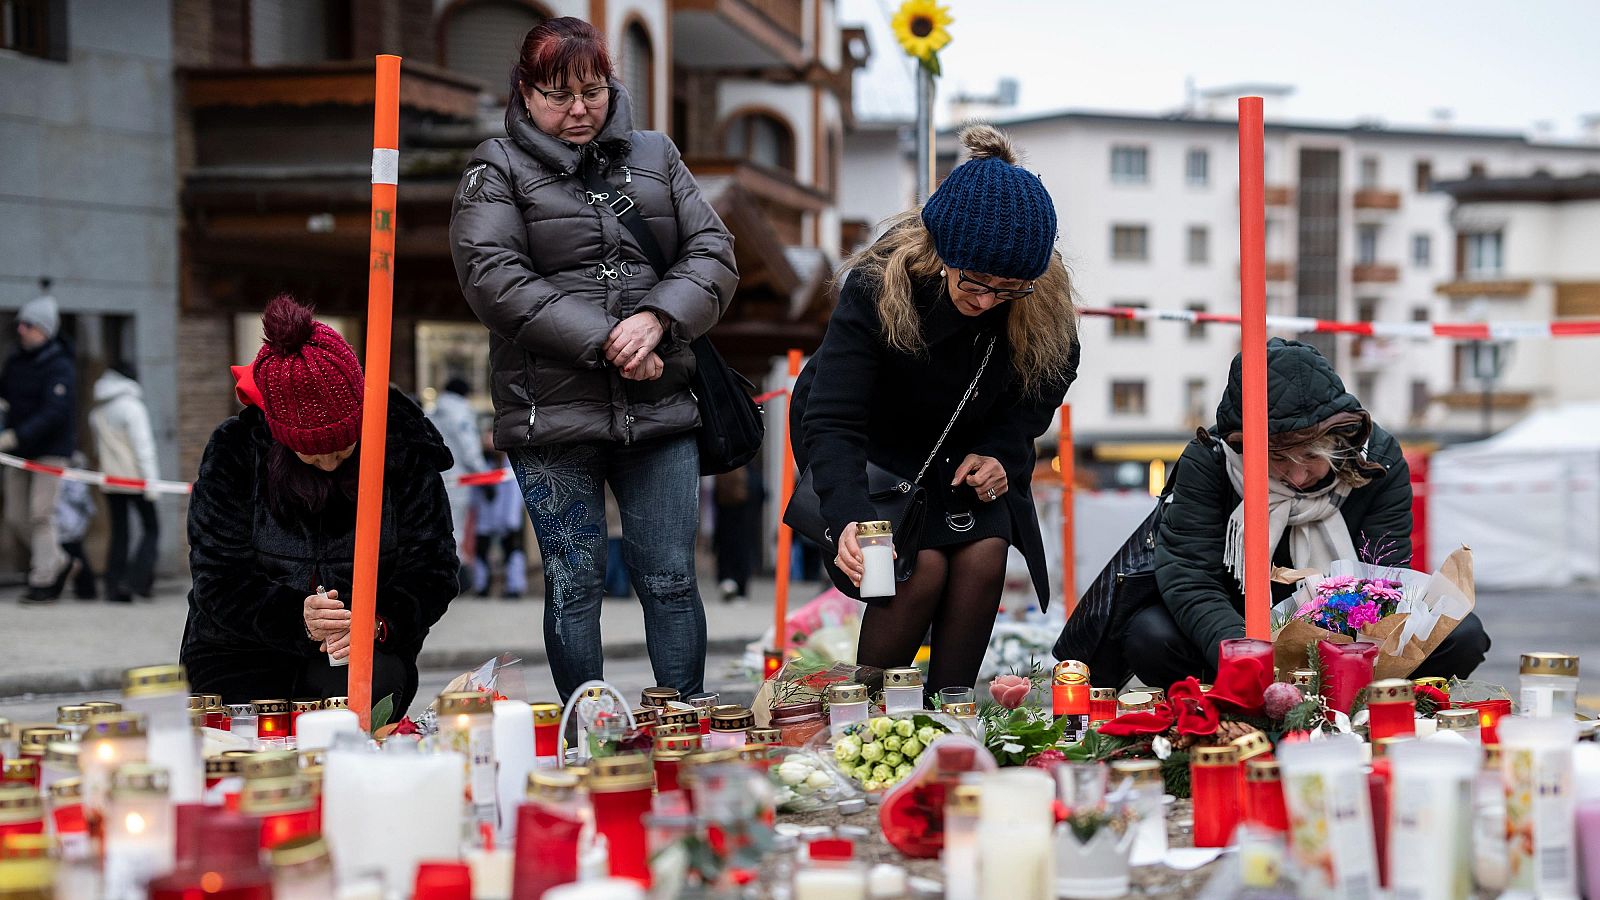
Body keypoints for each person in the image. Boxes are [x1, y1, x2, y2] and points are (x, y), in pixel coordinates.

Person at [449, 17, 737, 700]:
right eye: (558, 96)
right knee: (573, 584)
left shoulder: (657, 154)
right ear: (525, 93)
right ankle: (586, 732)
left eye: (593, 91)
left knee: (671, 577)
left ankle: (682, 726)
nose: (578, 110)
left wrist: (657, 320)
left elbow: (713, 251)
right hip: (550, 415)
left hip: (659, 405)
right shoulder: (495, 167)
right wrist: (613, 341)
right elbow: (494, 277)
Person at [790, 124, 1080, 694]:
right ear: (942, 252)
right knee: (915, 567)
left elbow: (1047, 384)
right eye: (975, 282)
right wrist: (849, 516)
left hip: (965, 453)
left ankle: (952, 713)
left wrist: (1001, 452)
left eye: (1007, 289)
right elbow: (833, 418)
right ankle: (868, 715)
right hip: (876, 454)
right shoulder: (879, 285)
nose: (987, 300)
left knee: (984, 552)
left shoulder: (1039, 298)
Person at [1128, 338, 1491, 687]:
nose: (1297, 477)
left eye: (1313, 456)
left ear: (1340, 441)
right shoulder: (1210, 462)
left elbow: (1386, 579)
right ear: (1247, 448)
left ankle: (1374, 698)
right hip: (1237, 626)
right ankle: (1229, 698)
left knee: (1464, 635)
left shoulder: (1379, 461)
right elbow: (1190, 577)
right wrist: (1247, 654)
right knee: (1150, 635)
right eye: (1278, 459)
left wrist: (1344, 653)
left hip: (1352, 630)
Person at [181, 295, 459, 712]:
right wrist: (297, 618)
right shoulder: (235, 451)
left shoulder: (402, 450)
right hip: (238, 648)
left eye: (344, 449)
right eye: (310, 454)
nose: (329, 463)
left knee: (364, 697)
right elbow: (217, 576)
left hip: (357, 652)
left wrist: (376, 622)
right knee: (238, 729)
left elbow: (434, 568)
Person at [0, 289, 77, 603]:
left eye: (28, 325)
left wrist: (16, 436)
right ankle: (59, 561)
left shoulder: (61, 366)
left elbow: (54, 413)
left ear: (44, 329)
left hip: (50, 451)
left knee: (40, 514)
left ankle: (42, 580)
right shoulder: (15, 361)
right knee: (15, 516)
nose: (21, 329)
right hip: (18, 453)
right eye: (20, 324)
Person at [89, 360, 161, 603]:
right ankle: (137, 581)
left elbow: (98, 449)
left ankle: (113, 584)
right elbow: (143, 447)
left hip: (110, 479)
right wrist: (151, 483)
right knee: (152, 528)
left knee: (120, 532)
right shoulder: (132, 407)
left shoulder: (97, 411)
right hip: (135, 479)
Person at [427, 376, 488, 579]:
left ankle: (436, 572)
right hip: (458, 479)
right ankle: (453, 575)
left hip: (435, 479)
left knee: (436, 526)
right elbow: (469, 448)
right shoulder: (460, 412)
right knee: (456, 528)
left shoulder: (433, 411)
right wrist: (483, 475)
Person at [470, 448, 528, 599]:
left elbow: (515, 495)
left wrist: (511, 520)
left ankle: (514, 587)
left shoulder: (511, 465)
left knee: (513, 551)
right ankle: (481, 586)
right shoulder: (483, 464)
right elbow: (474, 494)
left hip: (507, 517)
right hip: (485, 516)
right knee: (481, 551)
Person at [713, 464, 765, 603]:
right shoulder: (752, 475)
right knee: (743, 554)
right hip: (746, 524)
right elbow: (762, 495)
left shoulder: (724, 474)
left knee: (726, 552)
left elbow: (715, 499)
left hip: (726, 523)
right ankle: (740, 589)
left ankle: (727, 581)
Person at [54, 451, 97, 600]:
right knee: (73, 554)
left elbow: (79, 496)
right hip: (67, 518)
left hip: (69, 519)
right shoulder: (72, 466)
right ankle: (86, 590)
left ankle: (85, 589)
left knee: (69, 555)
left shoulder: (73, 469)